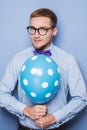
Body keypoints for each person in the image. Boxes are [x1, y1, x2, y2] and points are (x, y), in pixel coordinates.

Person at [0, 8, 87, 130]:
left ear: (54, 31)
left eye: (42, 30)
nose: (35, 35)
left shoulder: (67, 60)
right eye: (32, 29)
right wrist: (26, 110)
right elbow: (1, 94)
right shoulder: (19, 58)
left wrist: (54, 118)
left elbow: (81, 98)